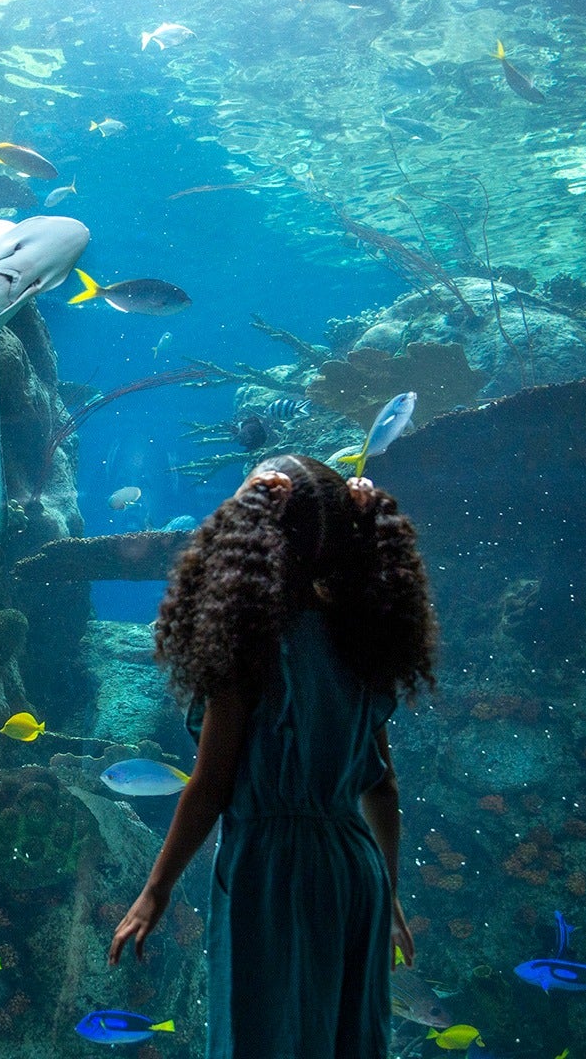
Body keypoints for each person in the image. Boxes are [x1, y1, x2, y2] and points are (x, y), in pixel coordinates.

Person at [108, 454, 438, 1059]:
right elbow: (381, 787)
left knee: (262, 1035)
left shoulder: (249, 644)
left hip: (269, 870)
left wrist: (156, 890)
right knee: (347, 1038)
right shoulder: (366, 637)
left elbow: (209, 785)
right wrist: (387, 893)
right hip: (355, 868)